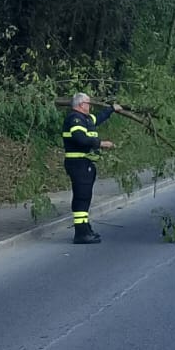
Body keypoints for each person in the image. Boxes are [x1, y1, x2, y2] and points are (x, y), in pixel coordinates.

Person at [63, 92, 120, 245]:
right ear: (81, 105)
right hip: (78, 163)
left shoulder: (86, 119)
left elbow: (98, 118)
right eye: (88, 103)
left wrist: (111, 109)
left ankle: (85, 228)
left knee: (85, 197)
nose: (90, 106)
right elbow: (80, 139)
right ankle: (81, 233)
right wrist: (101, 143)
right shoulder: (75, 119)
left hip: (85, 164)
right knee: (81, 197)